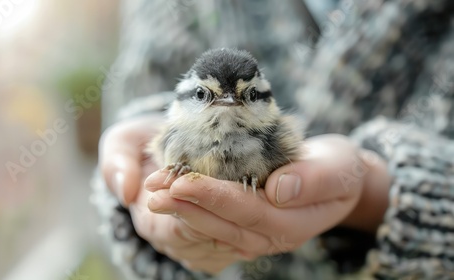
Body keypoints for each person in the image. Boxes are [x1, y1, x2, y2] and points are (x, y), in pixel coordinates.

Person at [93, 0, 454, 278]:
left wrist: (375, 194)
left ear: (266, 101)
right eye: (205, 96)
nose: (229, 103)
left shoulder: (274, 140)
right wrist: (134, 200)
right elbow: (143, 85)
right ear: (182, 100)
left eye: (247, 96)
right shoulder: (171, 138)